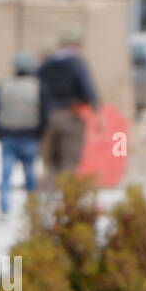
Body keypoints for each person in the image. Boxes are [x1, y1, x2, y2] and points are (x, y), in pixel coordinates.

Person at [37, 26, 100, 190]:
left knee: (50, 163)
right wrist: (98, 114)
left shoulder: (46, 65)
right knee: (69, 163)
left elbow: (36, 89)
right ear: (77, 44)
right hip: (70, 117)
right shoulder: (77, 64)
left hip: (47, 118)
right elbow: (88, 91)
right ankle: (65, 205)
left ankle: (48, 204)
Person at [0, 51, 49, 217]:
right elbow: (45, 114)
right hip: (29, 137)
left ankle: (4, 206)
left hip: (8, 135)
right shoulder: (37, 86)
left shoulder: (3, 85)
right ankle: (32, 208)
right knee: (30, 175)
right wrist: (39, 134)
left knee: (6, 174)